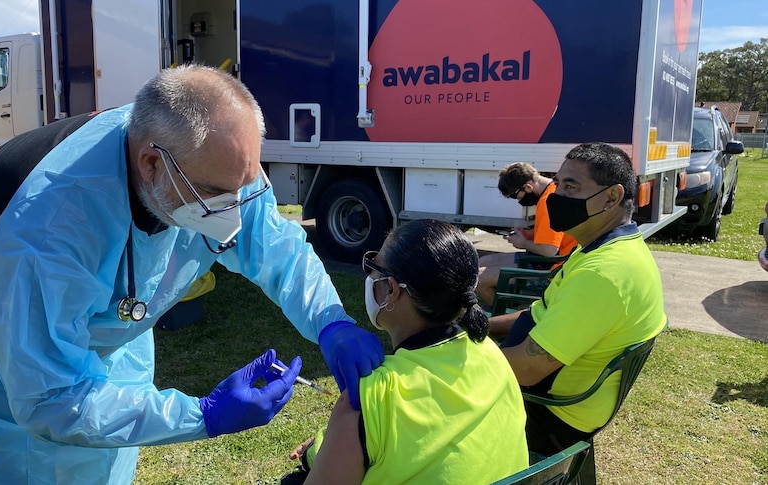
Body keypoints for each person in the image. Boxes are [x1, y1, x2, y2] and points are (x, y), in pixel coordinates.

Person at [0, 65, 384, 484]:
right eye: (217, 196)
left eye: (246, 188)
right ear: (151, 163)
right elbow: (49, 399)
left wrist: (331, 321)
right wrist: (202, 415)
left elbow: (275, 248)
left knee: (107, 453)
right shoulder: (48, 230)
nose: (235, 218)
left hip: (83, 299)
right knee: (23, 462)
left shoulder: (214, 161)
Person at [283, 220, 529, 485]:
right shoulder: (491, 353)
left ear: (391, 290)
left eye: (373, 266)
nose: (369, 278)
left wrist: (327, 443)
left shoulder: (368, 399)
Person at [489, 143, 667, 456]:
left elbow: (527, 369)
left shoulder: (602, 275)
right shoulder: (602, 249)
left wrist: (458, 356)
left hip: (546, 416)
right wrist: (482, 327)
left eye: (571, 187)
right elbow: (542, 311)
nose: (557, 196)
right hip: (553, 400)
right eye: (557, 184)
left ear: (611, 197)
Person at [475, 162, 577, 306]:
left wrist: (523, 243)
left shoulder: (548, 201)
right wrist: (530, 234)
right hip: (547, 261)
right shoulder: (552, 191)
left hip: (552, 268)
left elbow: (549, 250)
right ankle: (508, 306)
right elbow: (556, 232)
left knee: (478, 279)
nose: (519, 201)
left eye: (518, 197)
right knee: (481, 262)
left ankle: (506, 320)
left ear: (528, 187)